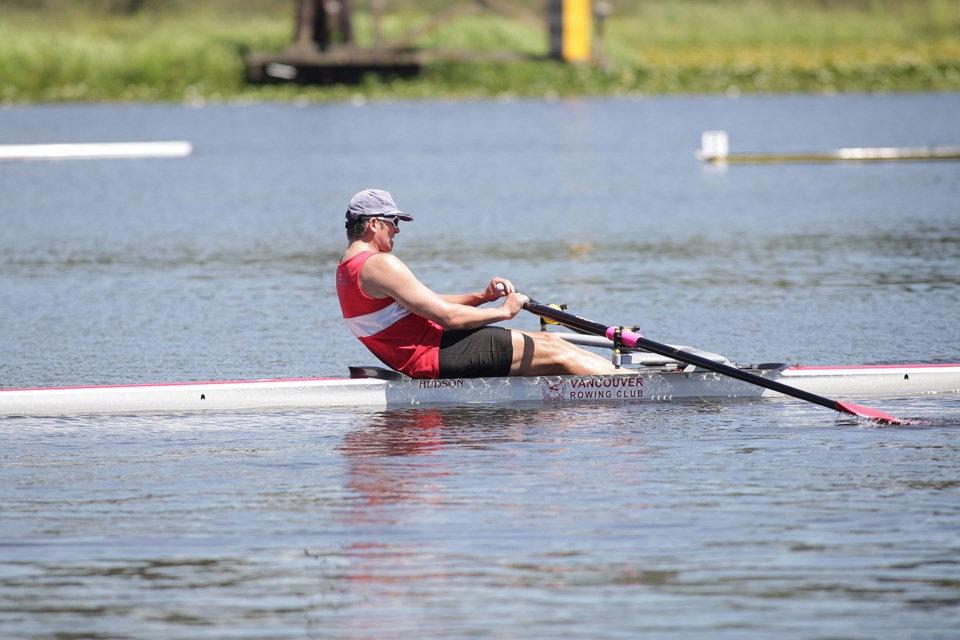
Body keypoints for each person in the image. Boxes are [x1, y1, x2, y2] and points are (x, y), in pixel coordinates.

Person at [336, 188, 622, 379]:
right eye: (394, 221)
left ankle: (609, 378)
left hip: (429, 352)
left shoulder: (347, 268)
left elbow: (428, 302)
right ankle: (624, 385)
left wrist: (481, 297)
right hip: (434, 354)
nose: (397, 229)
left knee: (550, 342)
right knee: (555, 349)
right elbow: (448, 318)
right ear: (374, 224)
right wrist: (505, 311)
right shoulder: (379, 264)